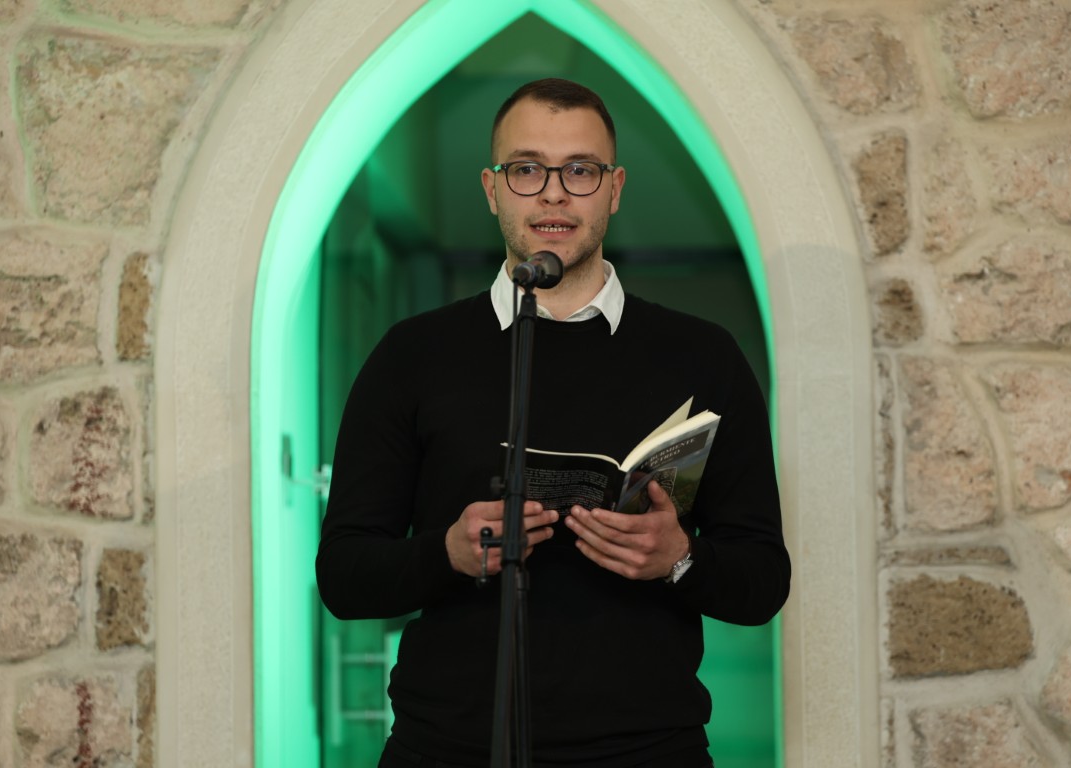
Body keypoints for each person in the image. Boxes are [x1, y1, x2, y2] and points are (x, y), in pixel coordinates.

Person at [316, 78, 790, 767]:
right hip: (447, 749)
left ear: (614, 189)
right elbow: (343, 575)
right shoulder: (412, 355)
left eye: (581, 171)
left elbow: (763, 580)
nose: (554, 194)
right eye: (527, 169)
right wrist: (446, 552)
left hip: (649, 752)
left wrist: (679, 559)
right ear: (492, 189)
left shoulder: (703, 357)